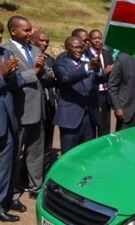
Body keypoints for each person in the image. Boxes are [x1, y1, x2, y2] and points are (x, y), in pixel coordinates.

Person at [1, 15, 47, 209]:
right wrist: (34, 71)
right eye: (26, 30)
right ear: (13, 31)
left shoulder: (35, 49)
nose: (31, 33)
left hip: (38, 109)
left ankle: (36, 187)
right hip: (17, 111)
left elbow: (42, 74)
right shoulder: (6, 50)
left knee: (36, 152)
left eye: (31, 30)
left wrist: (43, 70)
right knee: (11, 158)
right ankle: (11, 196)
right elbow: (15, 79)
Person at [53, 36, 103, 153]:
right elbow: (66, 79)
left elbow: (101, 79)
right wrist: (89, 67)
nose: (79, 50)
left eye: (81, 47)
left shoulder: (87, 63)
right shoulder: (60, 64)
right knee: (69, 154)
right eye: (75, 47)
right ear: (67, 48)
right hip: (70, 118)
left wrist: (98, 69)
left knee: (87, 153)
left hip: (89, 117)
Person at [0, 23, 22, 223]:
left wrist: (13, 74)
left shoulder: (6, 53)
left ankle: (1, 204)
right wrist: (2, 76)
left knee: (5, 165)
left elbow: (19, 81)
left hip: (7, 119)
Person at [30, 30, 57, 171]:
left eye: (47, 41)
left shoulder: (50, 59)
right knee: (31, 144)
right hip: (32, 107)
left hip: (49, 105)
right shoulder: (28, 58)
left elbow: (54, 80)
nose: (45, 44)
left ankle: (44, 171)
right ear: (32, 41)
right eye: (41, 40)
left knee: (47, 141)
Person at [86, 29, 114, 136]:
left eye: (99, 38)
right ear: (89, 40)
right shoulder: (86, 54)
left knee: (105, 124)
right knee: (93, 123)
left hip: (106, 93)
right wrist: (105, 72)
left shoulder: (107, 53)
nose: (97, 41)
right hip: (94, 93)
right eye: (94, 38)